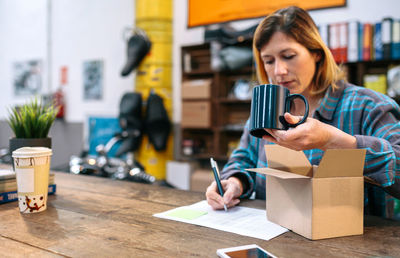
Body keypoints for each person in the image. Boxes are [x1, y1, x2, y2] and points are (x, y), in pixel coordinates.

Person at [205, 6, 400, 219]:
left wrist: (333, 141)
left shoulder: (368, 106)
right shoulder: (267, 109)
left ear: (316, 53)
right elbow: (244, 158)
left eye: (288, 56)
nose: (278, 71)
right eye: (269, 61)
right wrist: (234, 182)